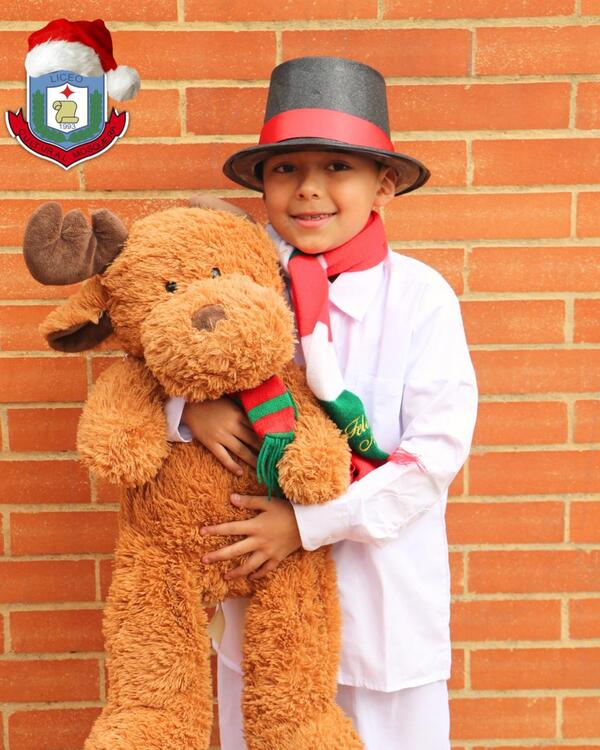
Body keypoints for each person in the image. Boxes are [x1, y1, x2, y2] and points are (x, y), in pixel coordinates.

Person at [166, 56, 478, 749]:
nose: (309, 189)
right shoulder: (231, 286)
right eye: (287, 168)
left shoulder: (421, 299)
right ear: (263, 183)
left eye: (337, 167)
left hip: (382, 614)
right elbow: (158, 362)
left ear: (384, 183)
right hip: (263, 617)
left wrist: (306, 525)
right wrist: (188, 413)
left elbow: (433, 456)